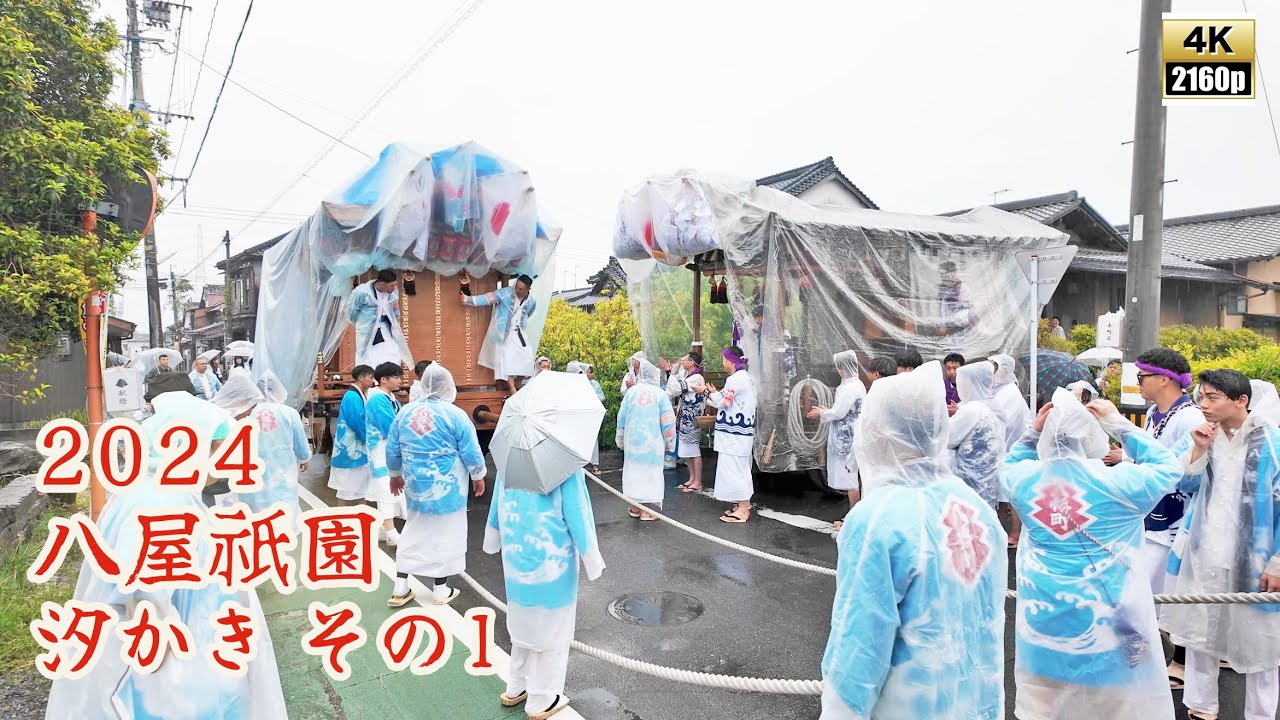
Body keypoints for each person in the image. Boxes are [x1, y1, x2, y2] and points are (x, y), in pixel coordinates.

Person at [45, 391, 288, 719]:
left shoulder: (152, 491)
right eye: (218, 450)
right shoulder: (163, 502)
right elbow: (147, 591)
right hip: (174, 675)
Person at [821, 361, 1006, 719]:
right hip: (973, 706)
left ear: (880, 429)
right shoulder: (977, 510)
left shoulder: (875, 520)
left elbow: (858, 650)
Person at [1002, 389, 1181, 719]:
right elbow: (1168, 466)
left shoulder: (1025, 481)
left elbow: (1009, 463)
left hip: (1044, 628)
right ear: (1090, 436)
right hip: (1106, 630)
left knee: (1049, 707)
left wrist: (1032, 433)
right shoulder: (1119, 484)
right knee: (1108, 709)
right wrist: (1119, 423)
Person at [1162, 369, 1280, 720]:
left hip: (1257, 562)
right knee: (1201, 633)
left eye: (1212, 397)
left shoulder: (1273, 443)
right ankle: (1201, 706)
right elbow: (1184, 483)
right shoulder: (1205, 436)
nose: (1204, 405)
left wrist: (1277, 562)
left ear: (1241, 400)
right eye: (1201, 397)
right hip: (1205, 553)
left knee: (1264, 641)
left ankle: (1260, 713)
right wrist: (1198, 448)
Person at [484, 469, 604, 719]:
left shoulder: (511, 459)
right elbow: (578, 514)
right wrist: (592, 559)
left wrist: (492, 539)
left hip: (517, 563)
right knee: (552, 632)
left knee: (521, 625)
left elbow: (497, 505)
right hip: (552, 567)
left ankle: (516, 685)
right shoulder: (565, 465)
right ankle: (542, 698)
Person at [1117, 348, 1204, 690]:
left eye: (1142, 377)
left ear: (1164, 379)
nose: (1137, 383)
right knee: (1151, 592)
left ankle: (1180, 663)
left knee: (1172, 593)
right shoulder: (1155, 412)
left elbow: (1182, 469)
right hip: (1152, 516)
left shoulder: (1190, 418)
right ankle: (1155, 657)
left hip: (1177, 519)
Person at [387, 363, 487, 607]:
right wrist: (478, 475)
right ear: (448, 386)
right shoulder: (455, 415)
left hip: (416, 488)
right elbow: (471, 451)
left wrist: (394, 474)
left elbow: (393, 448)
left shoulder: (405, 413)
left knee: (413, 532)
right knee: (446, 536)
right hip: (448, 489)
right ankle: (440, 589)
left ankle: (400, 586)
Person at [233, 371, 312, 529]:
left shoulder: (245, 413)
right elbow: (300, 442)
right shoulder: (289, 413)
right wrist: (304, 458)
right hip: (282, 476)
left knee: (254, 517)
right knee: (284, 513)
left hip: (253, 474)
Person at [696, 346, 757, 524]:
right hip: (739, 432)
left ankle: (744, 508)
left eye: (723, 359)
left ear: (730, 361)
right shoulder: (746, 378)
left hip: (735, 434)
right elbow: (726, 399)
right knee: (739, 468)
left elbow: (724, 403)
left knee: (737, 469)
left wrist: (705, 392)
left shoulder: (735, 380)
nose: (722, 363)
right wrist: (713, 393)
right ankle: (742, 504)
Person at [806, 351, 866, 526]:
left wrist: (822, 412)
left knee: (850, 478)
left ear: (843, 367)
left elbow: (839, 412)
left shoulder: (850, 388)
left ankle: (854, 519)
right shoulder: (855, 384)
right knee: (851, 477)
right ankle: (853, 516)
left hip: (846, 436)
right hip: (847, 433)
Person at [615, 359, 676, 521]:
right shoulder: (660, 394)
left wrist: (620, 438)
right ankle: (647, 512)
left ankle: (635, 507)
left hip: (633, 443)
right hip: (652, 444)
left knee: (633, 473)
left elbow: (621, 417)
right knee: (651, 475)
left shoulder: (631, 392)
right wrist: (670, 443)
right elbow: (668, 421)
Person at [461, 273, 537, 392]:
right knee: (507, 361)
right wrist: (468, 299)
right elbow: (488, 298)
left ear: (528, 289)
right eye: (516, 286)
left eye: (521, 289)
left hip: (519, 333)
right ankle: (512, 388)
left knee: (527, 357)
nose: (517, 290)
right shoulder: (505, 293)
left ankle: (518, 383)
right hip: (503, 334)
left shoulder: (532, 301)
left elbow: (529, 313)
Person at [947, 362, 1006, 509]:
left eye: (963, 381)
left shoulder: (972, 409)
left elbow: (947, 438)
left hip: (972, 481)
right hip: (985, 480)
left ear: (972, 383)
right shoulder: (985, 405)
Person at [989, 352, 1033, 547]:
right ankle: (1000, 531)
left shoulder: (1009, 393)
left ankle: (1015, 534)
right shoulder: (999, 389)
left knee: (1011, 494)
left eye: (994, 368)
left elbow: (998, 420)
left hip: (1014, 450)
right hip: (1005, 448)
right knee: (1002, 493)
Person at [365, 362, 405, 546]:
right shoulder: (377, 399)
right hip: (381, 449)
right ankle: (391, 530)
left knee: (393, 488)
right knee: (385, 488)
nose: (400, 381)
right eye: (396, 377)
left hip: (390, 447)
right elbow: (390, 426)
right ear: (383, 379)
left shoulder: (391, 398)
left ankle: (384, 529)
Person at [328, 364, 375, 505]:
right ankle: (342, 515)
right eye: (371, 377)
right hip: (351, 446)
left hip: (353, 446)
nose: (373, 381)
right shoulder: (352, 397)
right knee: (346, 486)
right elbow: (357, 422)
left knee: (358, 484)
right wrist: (367, 439)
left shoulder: (357, 395)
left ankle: (360, 514)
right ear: (361, 378)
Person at [349, 269, 412, 370]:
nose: (394, 287)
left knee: (393, 352)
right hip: (368, 329)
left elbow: (395, 309)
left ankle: (388, 378)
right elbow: (352, 312)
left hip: (387, 326)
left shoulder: (393, 291)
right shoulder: (362, 293)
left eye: (395, 284)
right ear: (382, 284)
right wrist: (362, 325)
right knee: (367, 356)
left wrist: (396, 322)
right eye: (391, 285)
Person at [671, 354, 708, 495]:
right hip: (685, 417)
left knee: (694, 449)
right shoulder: (689, 375)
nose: (682, 362)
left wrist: (672, 373)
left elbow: (677, 388)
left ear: (692, 362)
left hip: (692, 418)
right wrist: (672, 371)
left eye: (685, 359)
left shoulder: (697, 377)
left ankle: (697, 481)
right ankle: (692, 478)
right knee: (687, 449)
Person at [567, 361, 606, 473]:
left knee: (593, 440)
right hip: (578, 416)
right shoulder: (574, 385)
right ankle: (579, 466)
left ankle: (594, 465)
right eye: (589, 372)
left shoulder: (595, 384)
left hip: (592, 414)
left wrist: (591, 396)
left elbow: (602, 396)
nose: (591, 374)